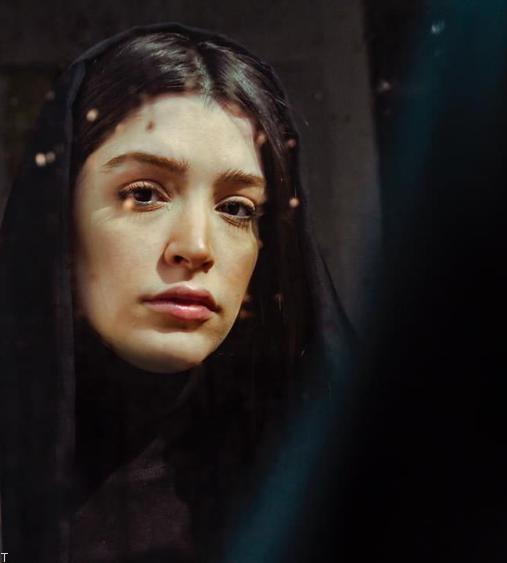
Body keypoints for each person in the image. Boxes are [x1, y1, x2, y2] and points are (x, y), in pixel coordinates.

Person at [0, 23, 352, 563]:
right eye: (144, 194)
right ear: (59, 220)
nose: (196, 247)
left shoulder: (340, 494)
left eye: (236, 208)